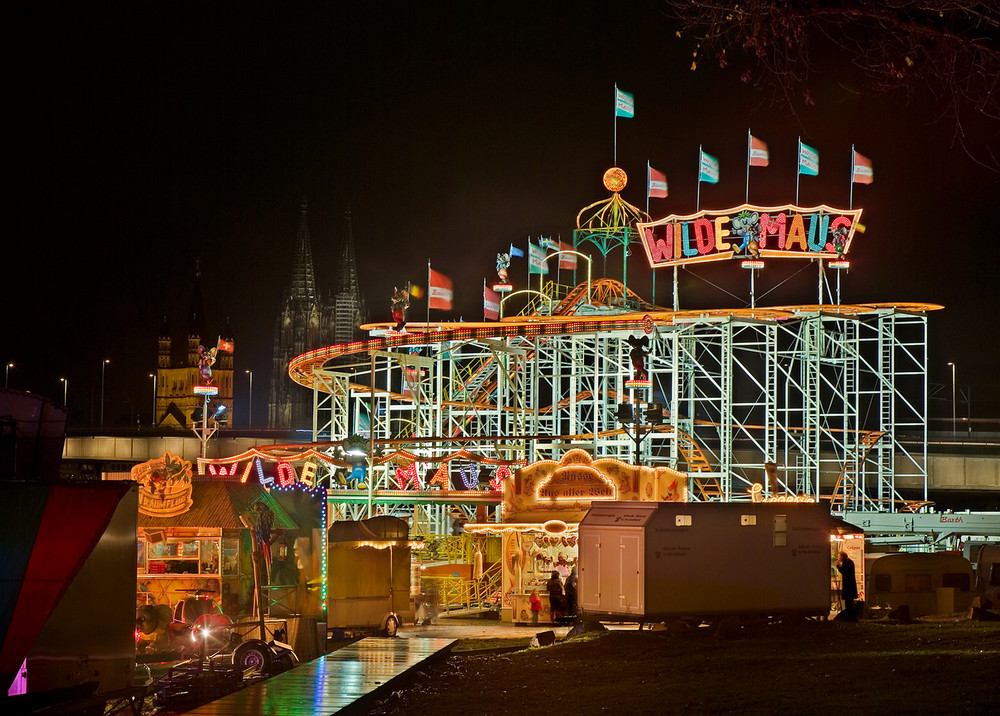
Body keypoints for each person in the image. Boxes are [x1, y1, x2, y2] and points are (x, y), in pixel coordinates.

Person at [836, 551, 858, 619]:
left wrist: (838, 566)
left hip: (848, 586)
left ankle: (849, 617)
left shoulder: (846, 563)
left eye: (839, 556)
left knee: (848, 603)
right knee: (849, 602)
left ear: (842, 556)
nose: (838, 558)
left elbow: (844, 572)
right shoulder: (850, 562)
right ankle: (850, 616)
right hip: (851, 586)